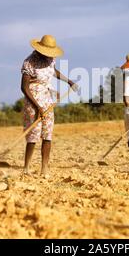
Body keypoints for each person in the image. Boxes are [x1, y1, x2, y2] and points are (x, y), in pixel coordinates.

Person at [21, 35, 78, 178]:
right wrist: (38, 107)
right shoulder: (29, 62)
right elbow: (24, 87)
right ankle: (26, 168)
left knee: (47, 133)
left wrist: (69, 81)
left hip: (47, 98)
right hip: (32, 100)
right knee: (34, 133)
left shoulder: (50, 59)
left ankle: (44, 168)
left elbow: (54, 71)